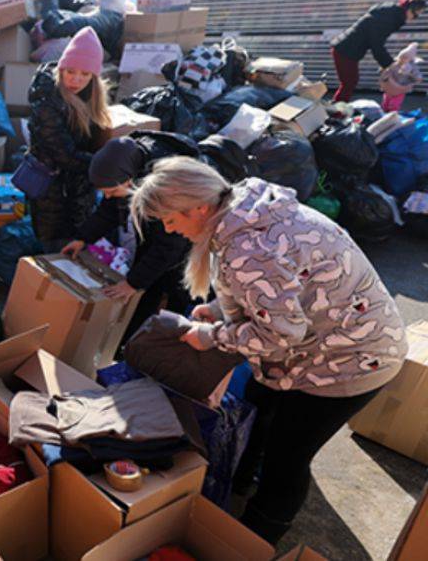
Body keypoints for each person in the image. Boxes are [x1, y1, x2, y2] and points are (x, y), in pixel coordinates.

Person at [131, 157, 406, 543]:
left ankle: (255, 537)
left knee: (287, 457)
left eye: (170, 219)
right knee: (256, 407)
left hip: (351, 360)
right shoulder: (243, 207)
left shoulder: (248, 248)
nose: (168, 229)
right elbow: (278, 292)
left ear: (199, 206)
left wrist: (211, 337)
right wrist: (219, 310)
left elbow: (278, 335)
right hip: (328, 340)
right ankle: (236, 484)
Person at [61, 132, 201, 345]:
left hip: (186, 241)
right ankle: (130, 343)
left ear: (129, 179)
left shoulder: (167, 185)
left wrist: (133, 283)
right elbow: (108, 209)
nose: (107, 196)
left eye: (112, 191)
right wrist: (83, 238)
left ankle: (172, 344)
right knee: (144, 287)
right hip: (156, 236)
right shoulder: (127, 168)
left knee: (176, 290)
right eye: (103, 192)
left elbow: (170, 245)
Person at [27, 26, 111, 250]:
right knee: (57, 251)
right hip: (53, 196)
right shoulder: (47, 101)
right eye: (71, 71)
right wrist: (106, 166)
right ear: (61, 68)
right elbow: (64, 155)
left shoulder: (90, 98)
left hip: (78, 193)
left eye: (85, 74)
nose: (76, 79)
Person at [330, 0, 425, 102]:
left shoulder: (390, 13)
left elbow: (376, 43)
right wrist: (390, 65)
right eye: (416, 15)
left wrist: (388, 64)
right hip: (346, 51)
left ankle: (337, 109)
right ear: (409, 10)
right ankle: (336, 112)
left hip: (346, 49)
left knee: (349, 82)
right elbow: (376, 45)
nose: (414, 19)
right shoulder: (388, 19)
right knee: (349, 82)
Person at [378, 42, 422, 113]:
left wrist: (410, 74)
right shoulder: (394, 64)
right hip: (389, 88)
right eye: (402, 57)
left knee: (394, 105)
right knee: (385, 103)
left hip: (400, 89)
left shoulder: (412, 67)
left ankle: (391, 116)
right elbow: (382, 70)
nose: (402, 59)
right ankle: (384, 115)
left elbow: (418, 78)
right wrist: (384, 70)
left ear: (410, 59)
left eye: (405, 58)